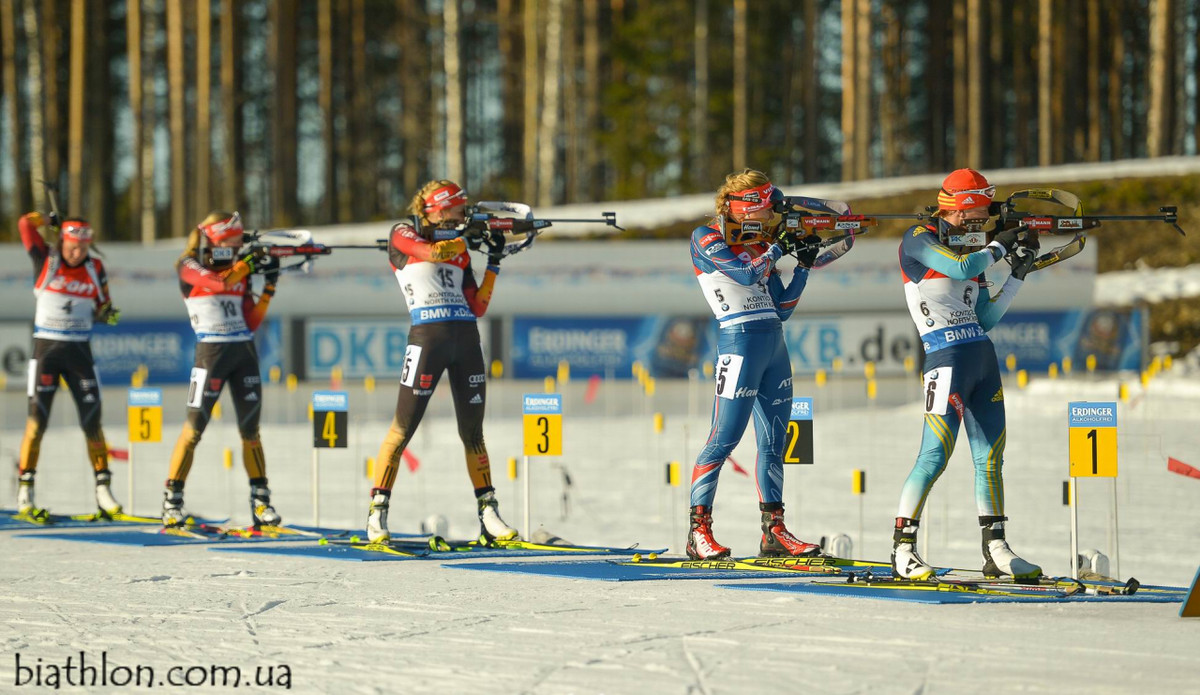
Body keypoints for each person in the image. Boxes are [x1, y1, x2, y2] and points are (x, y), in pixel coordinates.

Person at [891, 168, 1041, 580]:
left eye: (981, 222)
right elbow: (958, 267)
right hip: (944, 360)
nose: (975, 227)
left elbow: (986, 317)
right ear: (953, 209)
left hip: (981, 358)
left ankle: (996, 548)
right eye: (969, 219)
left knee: (991, 458)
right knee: (934, 455)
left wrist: (1017, 275)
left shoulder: (973, 251)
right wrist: (997, 246)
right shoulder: (919, 239)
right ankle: (903, 549)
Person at [686, 169, 829, 559]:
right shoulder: (707, 237)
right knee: (724, 438)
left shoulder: (760, 243)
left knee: (774, 443)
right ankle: (698, 531)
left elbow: (782, 308)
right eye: (765, 209)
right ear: (743, 206)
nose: (770, 217)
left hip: (773, 345)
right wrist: (778, 249)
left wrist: (803, 266)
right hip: (738, 344)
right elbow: (743, 274)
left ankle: (774, 533)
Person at [366, 180, 517, 544]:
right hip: (427, 339)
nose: (463, 213)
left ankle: (488, 512)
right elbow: (432, 253)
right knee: (402, 430)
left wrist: (493, 262)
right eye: (457, 207)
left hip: (465, 339)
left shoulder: (460, 250)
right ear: (436, 208)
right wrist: (466, 238)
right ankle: (377, 511)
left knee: (473, 433)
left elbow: (478, 305)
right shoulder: (404, 232)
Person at [162, 211, 281, 528]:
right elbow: (216, 283)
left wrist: (268, 288)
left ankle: (261, 502)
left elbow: (251, 321)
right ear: (217, 238)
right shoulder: (189, 265)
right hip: (210, 354)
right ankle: (172, 501)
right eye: (235, 237)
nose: (240, 242)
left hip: (243, 351)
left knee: (251, 432)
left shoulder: (237, 269)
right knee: (194, 429)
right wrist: (247, 265)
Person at [16, 212, 122, 519]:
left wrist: (109, 315)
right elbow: (25, 225)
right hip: (46, 350)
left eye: (83, 246)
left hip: (79, 353)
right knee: (37, 423)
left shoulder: (95, 267)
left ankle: (103, 489)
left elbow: (106, 309)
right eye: (72, 245)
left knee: (93, 422)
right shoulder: (46, 260)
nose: (77, 252)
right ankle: (26, 490)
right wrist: (47, 220)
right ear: (63, 241)